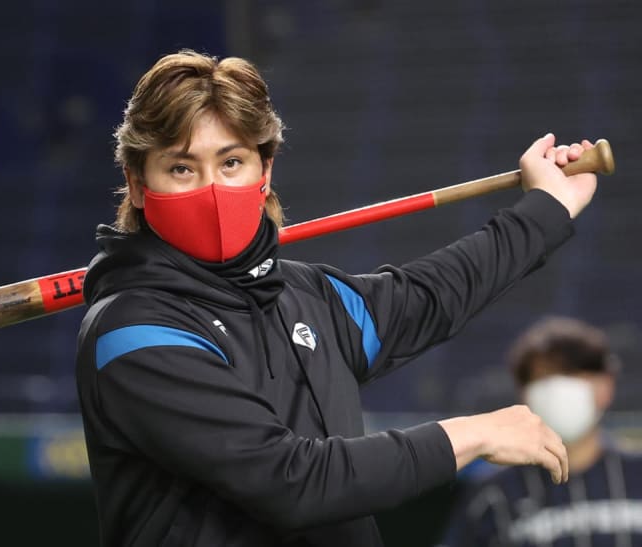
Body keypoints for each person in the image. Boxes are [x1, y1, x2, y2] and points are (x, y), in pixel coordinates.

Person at [74, 49, 599, 547]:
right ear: (138, 184)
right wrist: (471, 434)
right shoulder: (132, 331)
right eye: (182, 168)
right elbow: (292, 482)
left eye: (231, 162)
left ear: (265, 171)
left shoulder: (307, 295)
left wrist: (547, 209)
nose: (212, 190)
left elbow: (432, 294)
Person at [442, 317, 642, 547]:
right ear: (524, 394)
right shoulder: (493, 495)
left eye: (570, 374)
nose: (558, 389)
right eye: (544, 377)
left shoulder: (636, 473)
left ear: (605, 386)